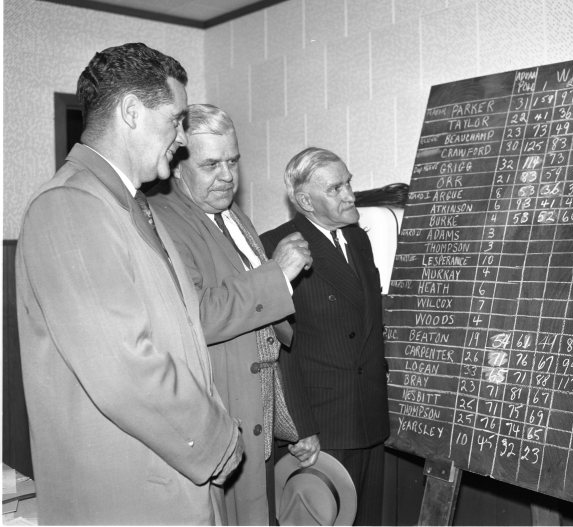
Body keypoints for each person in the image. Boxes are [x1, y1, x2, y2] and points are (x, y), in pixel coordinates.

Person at [15, 43, 243, 525]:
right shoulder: (70, 205)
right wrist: (218, 441)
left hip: (172, 484)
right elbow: (124, 368)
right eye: (176, 120)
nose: (182, 138)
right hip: (131, 500)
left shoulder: (128, 203)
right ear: (132, 112)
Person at [147, 103, 319, 525]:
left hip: (258, 415)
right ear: (177, 166)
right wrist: (277, 274)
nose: (227, 175)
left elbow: (269, 327)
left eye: (233, 161)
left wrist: (293, 417)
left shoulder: (231, 214)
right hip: (218, 418)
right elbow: (198, 315)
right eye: (211, 164)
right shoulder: (161, 220)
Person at [261, 147, 390, 526]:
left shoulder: (357, 239)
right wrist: (299, 428)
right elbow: (278, 349)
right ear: (305, 202)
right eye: (336, 188)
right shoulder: (277, 246)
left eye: (348, 183)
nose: (350, 194)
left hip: (369, 417)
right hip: (321, 426)